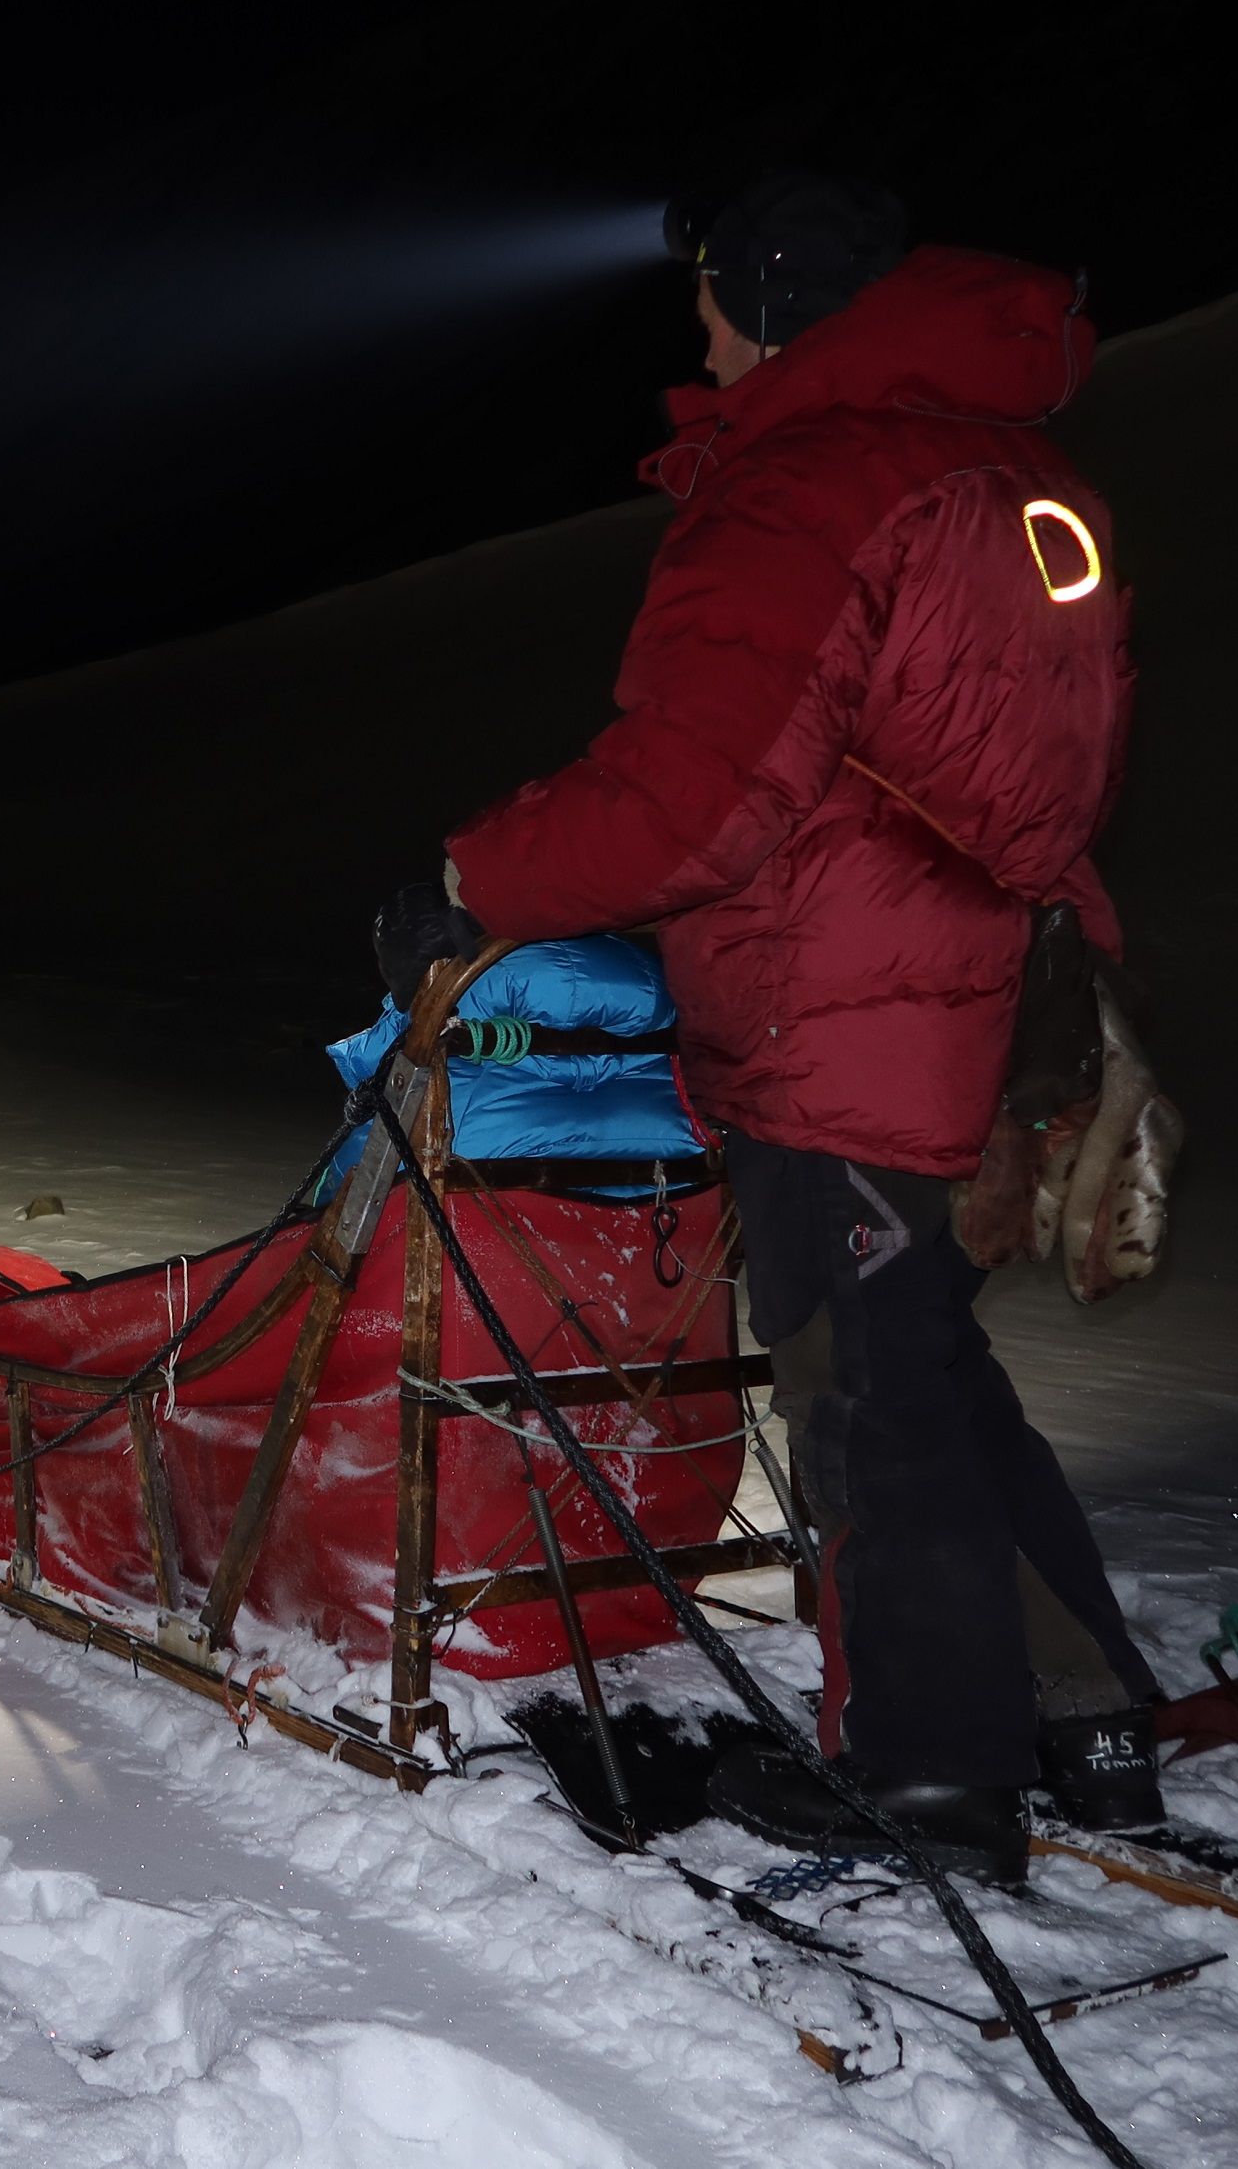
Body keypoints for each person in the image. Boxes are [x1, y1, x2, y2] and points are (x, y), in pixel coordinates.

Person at [393, 172, 1164, 1881]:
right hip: (992, 996)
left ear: (766, 303)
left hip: (849, 1016)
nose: (697, 333)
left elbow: (696, 794)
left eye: (710, 299)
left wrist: (474, 880)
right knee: (930, 1365)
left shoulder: (811, 485)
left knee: (865, 1393)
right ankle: (1086, 1718)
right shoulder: (1021, 480)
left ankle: (933, 1775)